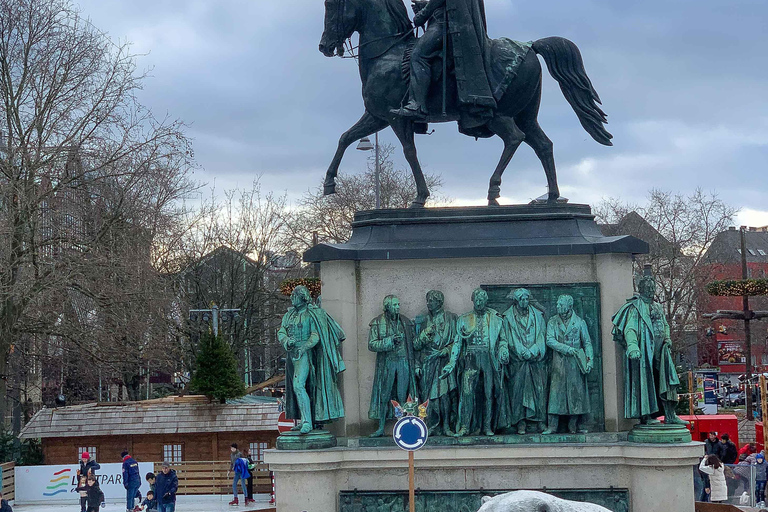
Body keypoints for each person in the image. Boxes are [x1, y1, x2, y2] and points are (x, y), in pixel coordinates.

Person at [394, 0, 497, 132]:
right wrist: (425, 4)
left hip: (444, 23)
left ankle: (417, 105)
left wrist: (423, 14)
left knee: (418, 56)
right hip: (449, 19)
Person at [612, 266, 686, 425]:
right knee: (646, 383)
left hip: (661, 350)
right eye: (648, 288)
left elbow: (665, 324)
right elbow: (630, 328)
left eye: (653, 288)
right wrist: (632, 346)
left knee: (667, 380)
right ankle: (647, 416)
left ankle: (670, 414)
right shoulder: (635, 307)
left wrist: (667, 338)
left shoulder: (658, 306)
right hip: (645, 351)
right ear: (642, 289)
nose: (651, 291)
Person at [277, 285, 346, 434]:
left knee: (298, 385)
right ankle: (304, 420)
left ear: (302, 297)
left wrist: (305, 347)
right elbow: (281, 331)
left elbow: (315, 335)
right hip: (292, 354)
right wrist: (286, 340)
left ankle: (308, 421)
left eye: (294, 296)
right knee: (300, 388)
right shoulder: (289, 315)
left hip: (305, 354)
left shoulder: (312, 314)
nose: (291, 299)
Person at [443, 288, 510, 437]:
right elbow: (457, 343)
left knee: (489, 393)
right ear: (472, 300)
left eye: (482, 300)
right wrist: (451, 363)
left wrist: (503, 350)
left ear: (486, 301)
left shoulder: (496, 318)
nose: (479, 303)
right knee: (467, 392)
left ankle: (487, 426)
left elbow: (503, 340)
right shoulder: (464, 319)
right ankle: (465, 426)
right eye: (476, 300)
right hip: (471, 357)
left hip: (489, 357)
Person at [368, 295, 419, 438]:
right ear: (387, 307)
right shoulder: (377, 322)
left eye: (398, 305)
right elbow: (371, 344)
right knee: (384, 396)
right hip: (388, 363)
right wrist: (390, 341)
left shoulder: (406, 323)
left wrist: (424, 337)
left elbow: (414, 345)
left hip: (403, 362)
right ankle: (381, 427)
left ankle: (402, 426)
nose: (398, 307)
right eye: (395, 305)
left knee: (403, 396)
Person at [543, 295, 593, 434]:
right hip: (559, 363)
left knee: (575, 395)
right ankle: (552, 426)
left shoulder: (579, 322)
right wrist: (567, 349)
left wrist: (589, 361)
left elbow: (587, 342)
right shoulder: (553, 321)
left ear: (569, 306)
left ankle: (574, 425)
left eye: (560, 305)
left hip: (575, 364)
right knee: (556, 394)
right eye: (557, 304)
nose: (557, 307)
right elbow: (549, 340)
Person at [414, 290, 458, 436]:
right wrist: (424, 335)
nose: (428, 303)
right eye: (427, 300)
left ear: (439, 302)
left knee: (445, 395)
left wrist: (446, 350)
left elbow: (458, 342)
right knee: (429, 397)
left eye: (431, 300)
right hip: (428, 363)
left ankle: (446, 425)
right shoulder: (422, 321)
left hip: (444, 362)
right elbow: (415, 346)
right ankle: (432, 425)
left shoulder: (451, 319)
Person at [505, 288, 548, 435]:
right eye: (521, 299)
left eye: (526, 299)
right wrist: (521, 351)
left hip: (535, 360)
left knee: (538, 390)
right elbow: (509, 338)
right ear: (516, 301)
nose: (524, 302)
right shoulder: (508, 317)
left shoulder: (538, 316)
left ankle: (540, 421)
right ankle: (520, 422)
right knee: (518, 391)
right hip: (518, 361)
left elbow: (542, 335)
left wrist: (533, 350)